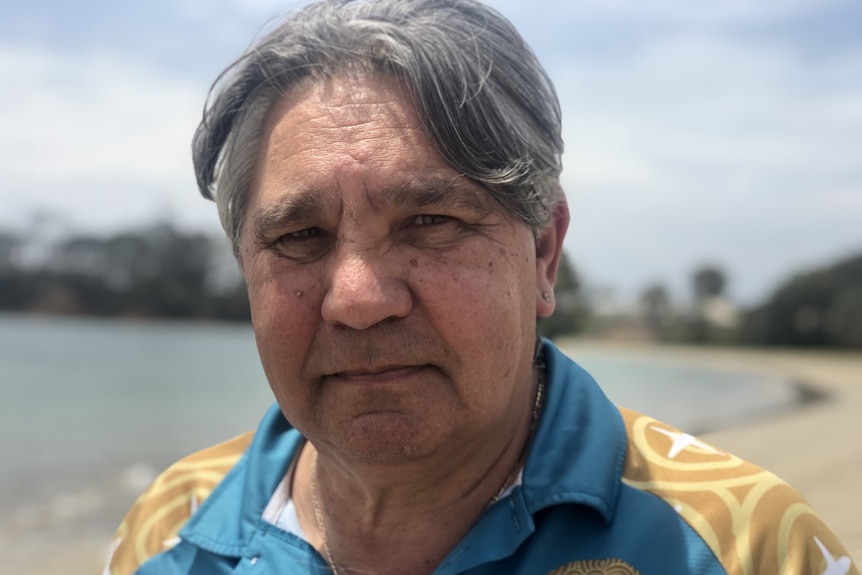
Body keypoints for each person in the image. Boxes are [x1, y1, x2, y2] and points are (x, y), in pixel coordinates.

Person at [106, 1, 858, 574]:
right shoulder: (171, 524)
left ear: (542, 253)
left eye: (430, 220)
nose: (360, 297)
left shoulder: (746, 544)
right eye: (300, 237)